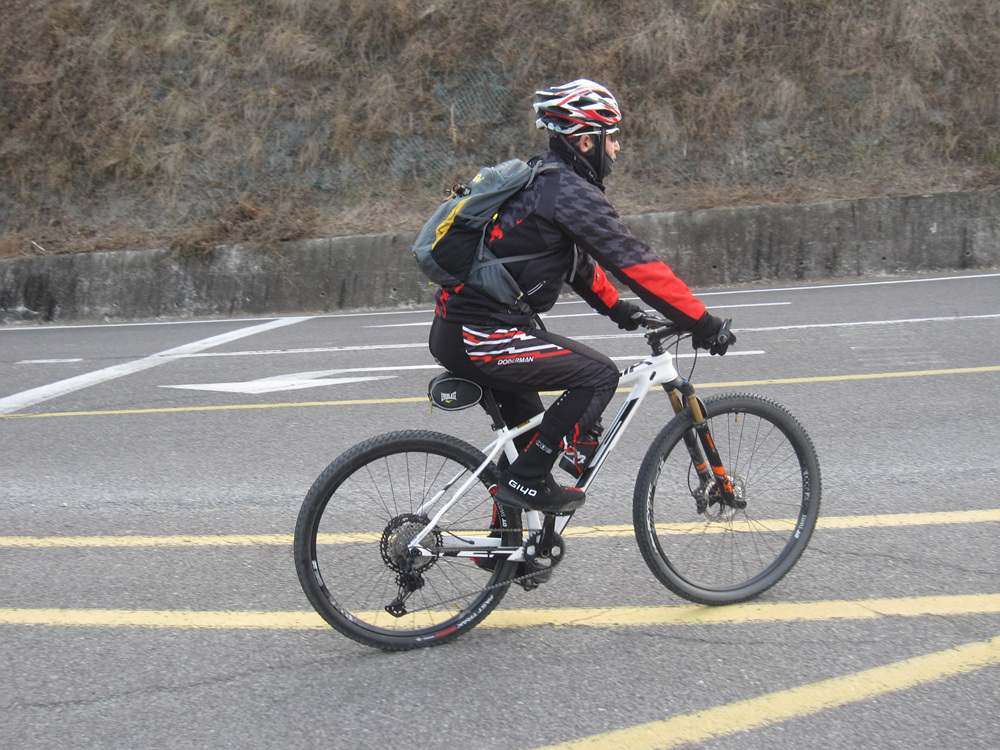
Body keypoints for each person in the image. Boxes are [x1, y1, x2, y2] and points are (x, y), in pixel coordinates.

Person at [428, 79, 735, 514]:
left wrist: (623, 312)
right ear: (586, 140)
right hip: (479, 333)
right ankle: (528, 481)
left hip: (474, 327)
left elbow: (577, 265)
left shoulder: (547, 181)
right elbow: (634, 261)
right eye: (612, 137)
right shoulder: (567, 191)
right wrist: (701, 321)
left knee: (528, 442)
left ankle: (509, 542)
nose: (617, 148)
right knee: (598, 376)